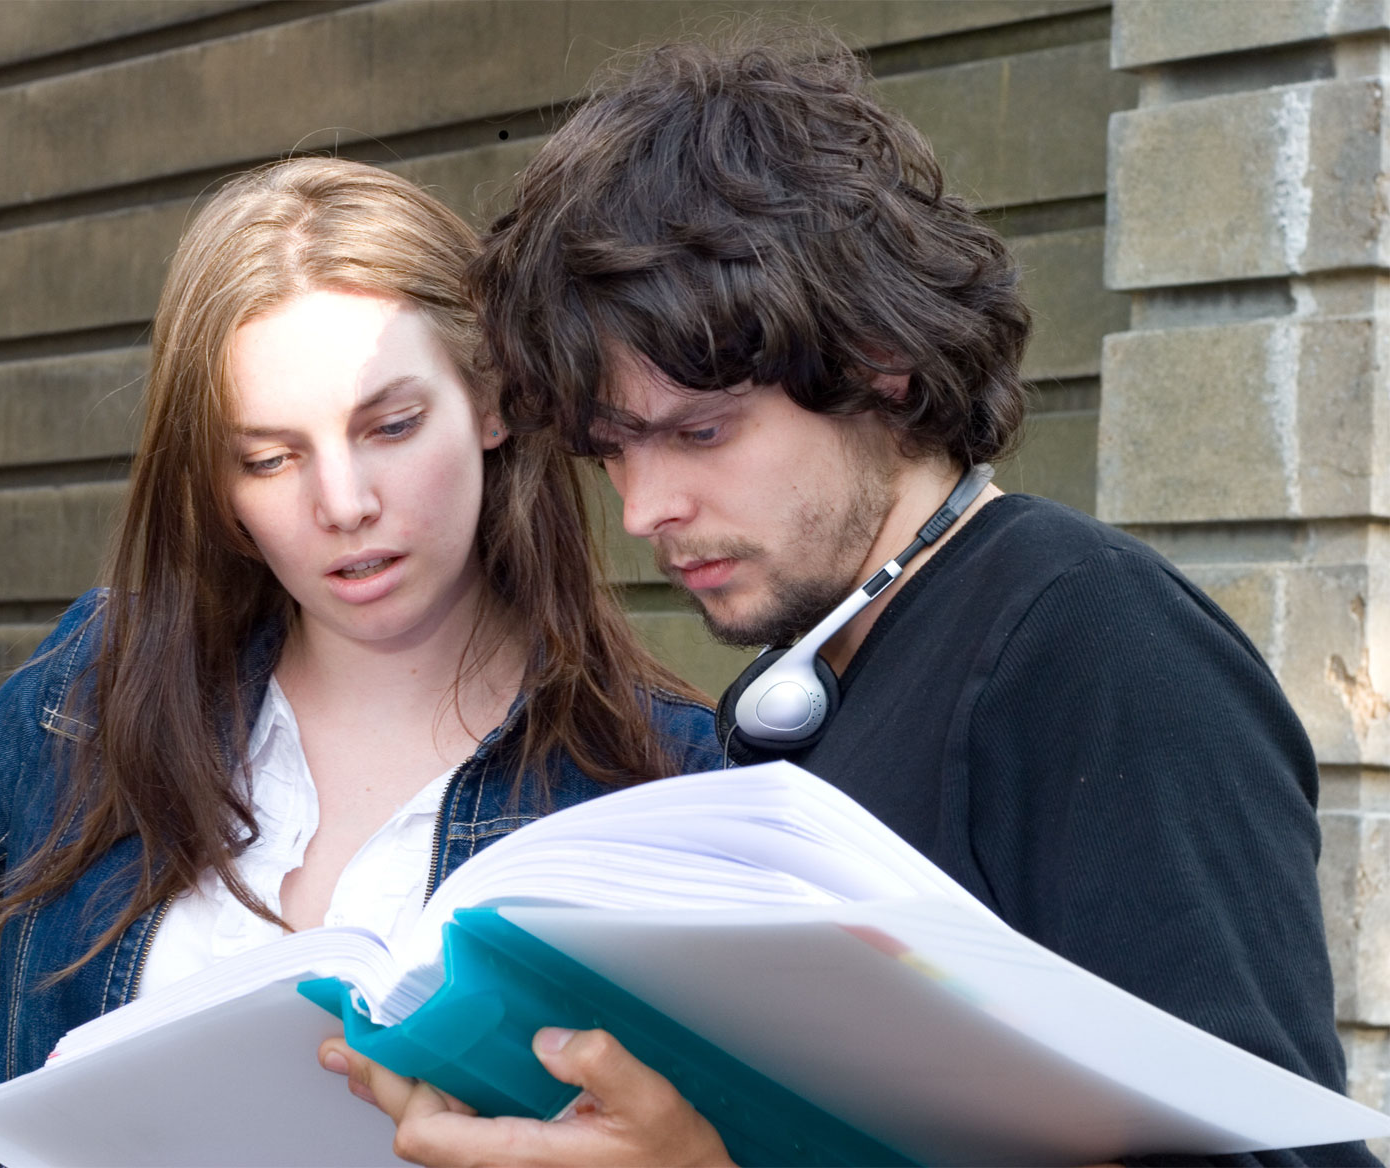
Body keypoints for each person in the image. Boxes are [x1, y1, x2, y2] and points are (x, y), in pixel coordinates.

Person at [320, 31, 1378, 1168]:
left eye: (700, 432)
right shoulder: (796, 693)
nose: (645, 509)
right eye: (612, 450)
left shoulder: (1093, 642)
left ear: (880, 364)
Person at [0, 159, 721, 1107]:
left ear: (491, 402)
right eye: (269, 457)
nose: (343, 502)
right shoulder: (101, 693)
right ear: (216, 484)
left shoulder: (661, 775)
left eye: (390, 426)